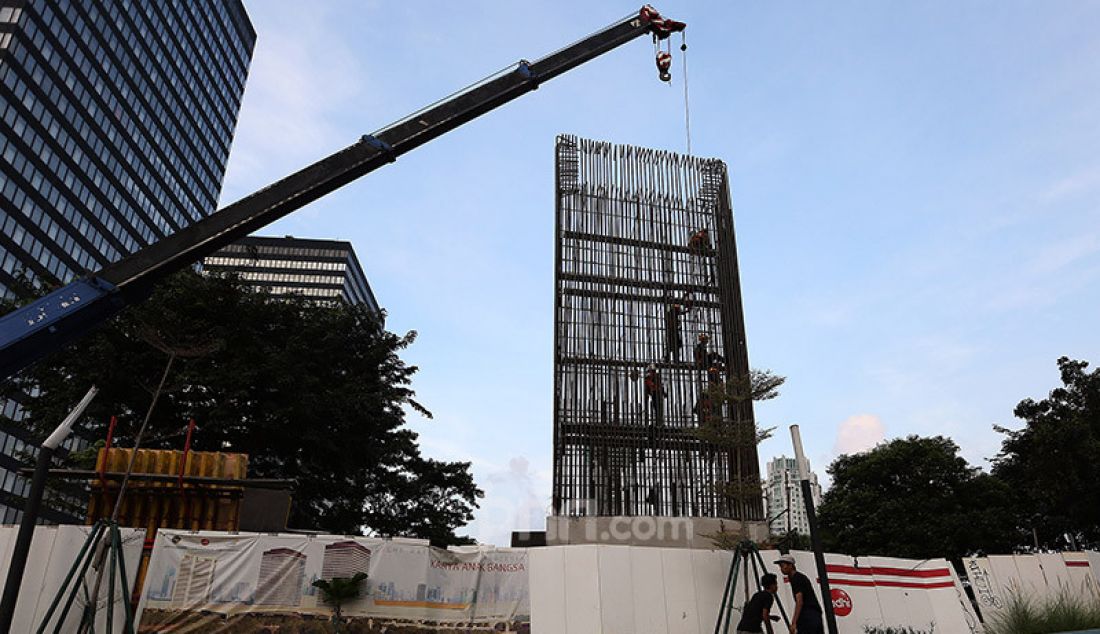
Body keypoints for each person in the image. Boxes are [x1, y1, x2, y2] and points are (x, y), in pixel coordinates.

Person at [775, 554, 823, 634]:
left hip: (808, 614)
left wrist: (794, 622)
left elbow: (799, 601)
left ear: (790, 565)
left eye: (783, 566)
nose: (781, 569)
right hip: (812, 614)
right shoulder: (797, 578)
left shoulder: (797, 579)